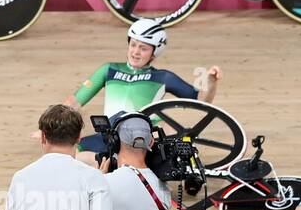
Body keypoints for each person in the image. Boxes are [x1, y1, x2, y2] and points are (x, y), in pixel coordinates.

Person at [65, 18, 220, 166]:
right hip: (112, 134)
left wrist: (211, 82)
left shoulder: (163, 77)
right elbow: (75, 101)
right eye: (133, 45)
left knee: (170, 130)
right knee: (69, 153)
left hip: (144, 136)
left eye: (143, 48)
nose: (136, 52)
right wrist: (50, 124)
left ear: (154, 53)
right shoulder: (109, 70)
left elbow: (201, 102)